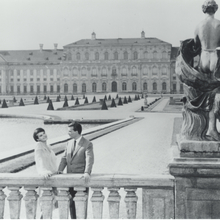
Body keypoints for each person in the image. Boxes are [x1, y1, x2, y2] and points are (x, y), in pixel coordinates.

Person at [194, 0, 220, 140]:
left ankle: (205, 127)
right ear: (215, 9)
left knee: (206, 94)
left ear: (204, 9)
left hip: (203, 58)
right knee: (216, 94)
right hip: (215, 58)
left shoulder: (199, 25)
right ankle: (212, 128)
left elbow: (196, 44)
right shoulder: (219, 24)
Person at [58, 122, 94, 219]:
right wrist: (60, 170)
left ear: (76, 131)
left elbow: (89, 159)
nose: (68, 133)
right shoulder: (69, 143)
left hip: (81, 179)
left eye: (70, 131)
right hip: (69, 179)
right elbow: (64, 158)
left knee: (81, 205)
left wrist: (87, 172)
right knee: (71, 204)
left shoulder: (87, 144)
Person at [33, 127, 59, 218]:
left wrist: (57, 171)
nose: (44, 135)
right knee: (46, 204)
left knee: (51, 204)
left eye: (44, 133)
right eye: (40, 135)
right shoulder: (39, 145)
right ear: (37, 139)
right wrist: (43, 171)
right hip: (46, 177)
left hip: (52, 177)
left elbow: (52, 161)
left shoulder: (48, 146)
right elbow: (39, 159)